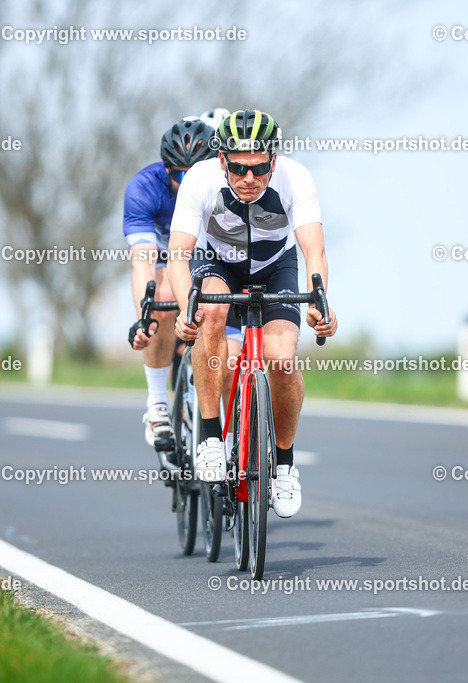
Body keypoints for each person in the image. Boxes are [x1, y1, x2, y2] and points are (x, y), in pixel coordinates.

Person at [168, 109, 338, 518]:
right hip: (217, 263)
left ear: (273, 160)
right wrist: (184, 309)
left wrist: (320, 303)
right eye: (240, 168)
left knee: (281, 358)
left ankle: (283, 466)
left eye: (259, 167)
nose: (249, 178)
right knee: (209, 311)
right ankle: (210, 436)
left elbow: (313, 250)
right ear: (222, 160)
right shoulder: (201, 179)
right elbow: (178, 256)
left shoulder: (296, 178)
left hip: (274, 265)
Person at [124, 110, 241, 449]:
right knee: (159, 291)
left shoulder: (227, 186)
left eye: (196, 172)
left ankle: (231, 444)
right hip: (165, 257)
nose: (187, 180)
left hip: (210, 259)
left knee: (230, 358)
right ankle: (158, 403)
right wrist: (144, 317)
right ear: (166, 169)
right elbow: (142, 260)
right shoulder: (144, 188)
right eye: (179, 173)